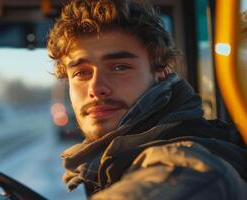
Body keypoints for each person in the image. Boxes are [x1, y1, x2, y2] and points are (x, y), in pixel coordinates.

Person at [47, 0, 247, 199]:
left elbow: (182, 175)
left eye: (119, 67)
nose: (96, 88)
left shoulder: (194, 158)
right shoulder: (106, 161)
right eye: (82, 73)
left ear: (161, 72)